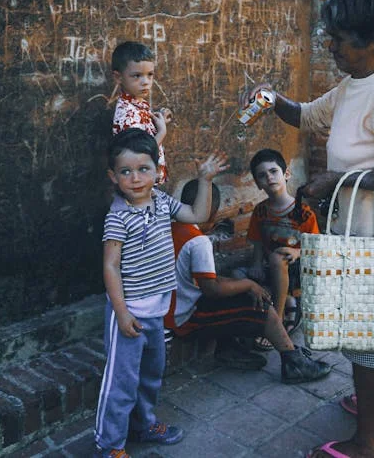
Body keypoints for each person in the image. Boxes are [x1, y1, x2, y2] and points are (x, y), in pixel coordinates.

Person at [240, 0, 374, 457]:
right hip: (364, 232)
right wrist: (271, 100)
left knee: (367, 336)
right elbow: (308, 116)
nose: (331, 47)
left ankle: (370, 443)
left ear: (371, 40)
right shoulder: (355, 83)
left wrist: (337, 179)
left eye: (341, 40)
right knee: (370, 334)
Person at [95, 129, 228, 458]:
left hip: (157, 311)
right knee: (121, 384)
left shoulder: (162, 202)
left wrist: (205, 180)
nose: (136, 178)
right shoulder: (117, 216)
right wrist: (122, 314)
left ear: (158, 171)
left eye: (144, 169)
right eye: (125, 171)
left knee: (151, 374)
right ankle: (110, 445)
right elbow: (110, 267)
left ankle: (144, 424)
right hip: (130, 314)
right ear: (113, 177)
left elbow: (197, 215)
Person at [166, 179, 332, 383]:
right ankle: (294, 363)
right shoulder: (198, 241)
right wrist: (250, 285)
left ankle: (228, 349)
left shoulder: (169, 228)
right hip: (183, 318)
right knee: (261, 305)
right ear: (211, 211)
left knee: (237, 291)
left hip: (169, 310)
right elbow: (212, 289)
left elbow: (202, 280)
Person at [238, 148, 320, 350]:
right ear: (257, 184)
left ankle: (279, 317)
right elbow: (257, 242)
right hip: (271, 268)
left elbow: (317, 249)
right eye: (262, 175)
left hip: (298, 268)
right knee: (237, 275)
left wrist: (297, 252)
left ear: (286, 174)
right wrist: (256, 264)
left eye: (273, 171)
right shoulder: (261, 211)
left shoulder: (304, 213)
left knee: (277, 257)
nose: (269, 177)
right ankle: (282, 303)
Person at [111, 41, 172, 185]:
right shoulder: (127, 113)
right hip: (139, 187)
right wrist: (162, 133)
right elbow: (138, 156)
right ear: (119, 77)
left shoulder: (138, 103)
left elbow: (142, 135)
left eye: (149, 75)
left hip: (148, 183)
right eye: (137, 76)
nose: (145, 82)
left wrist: (158, 123)